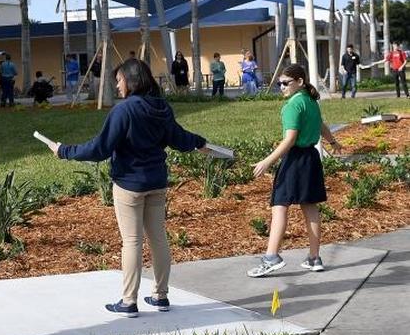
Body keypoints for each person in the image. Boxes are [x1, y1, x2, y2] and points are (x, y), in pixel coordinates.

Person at [43, 59, 208, 317]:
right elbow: (179, 138)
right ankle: (160, 296)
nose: (117, 86)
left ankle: (129, 302)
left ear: (131, 81)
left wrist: (64, 151)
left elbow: (100, 149)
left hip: (129, 185)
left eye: (119, 80)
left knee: (131, 241)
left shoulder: (124, 111)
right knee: (158, 239)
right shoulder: (162, 107)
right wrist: (200, 142)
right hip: (157, 183)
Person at [247, 63, 343, 277]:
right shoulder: (311, 101)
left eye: (285, 83)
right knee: (310, 207)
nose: (281, 87)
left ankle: (271, 257)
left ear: (299, 82)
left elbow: (289, 139)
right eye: (279, 84)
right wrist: (333, 142)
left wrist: (267, 161)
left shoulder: (293, 105)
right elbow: (321, 125)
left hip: (295, 160)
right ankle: (314, 257)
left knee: (279, 206)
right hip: (311, 158)